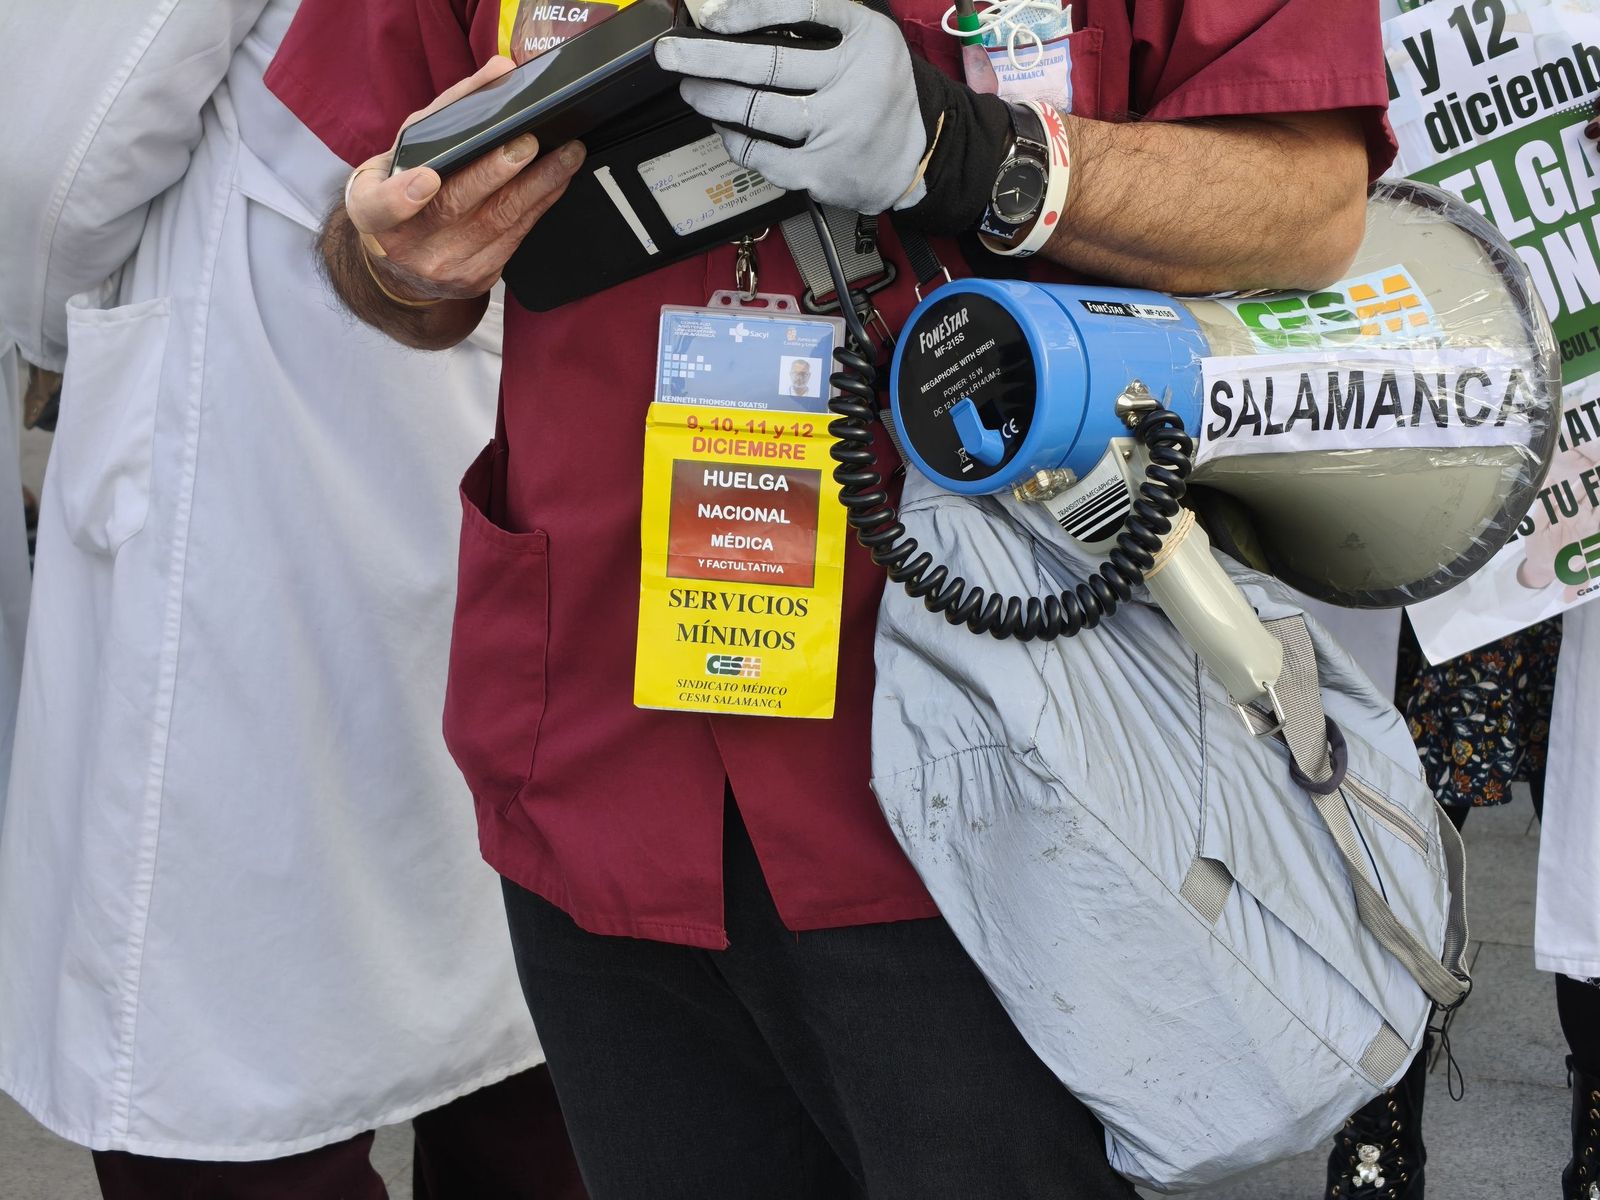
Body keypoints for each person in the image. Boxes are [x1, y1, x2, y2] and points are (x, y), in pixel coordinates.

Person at [267, 0, 1394, 1193]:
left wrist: (971, 150)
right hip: (611, 747)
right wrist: (395, 256)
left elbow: (1310, 206)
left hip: (1017, 775)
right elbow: (386, 263)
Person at [0, 3, 584, 1197]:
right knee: (525, 1033)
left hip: (253, 460)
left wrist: (43, 331)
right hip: (507, 405)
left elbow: (48, 174)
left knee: (223, 1056)